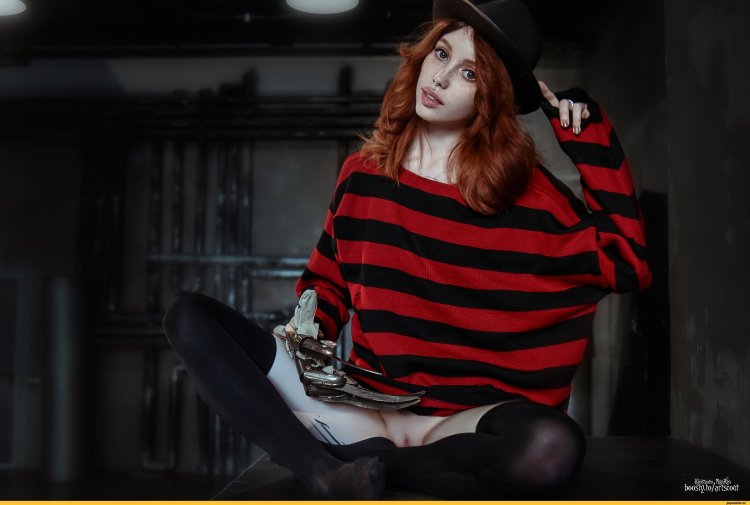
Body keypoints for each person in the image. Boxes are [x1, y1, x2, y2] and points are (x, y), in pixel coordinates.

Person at [163, 0, 651, 499]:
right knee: (190, 316)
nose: (440, 78)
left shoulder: (528, 197)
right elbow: (328, 283)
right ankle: (321, 471)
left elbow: (627, 261)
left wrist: (586, 135)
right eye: (441, 53)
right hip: (366, 410)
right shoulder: (363, 175)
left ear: (492, 96)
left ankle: (371, 470)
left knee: (552, 445)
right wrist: (308, 334)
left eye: (469, 73)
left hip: (465, 425)